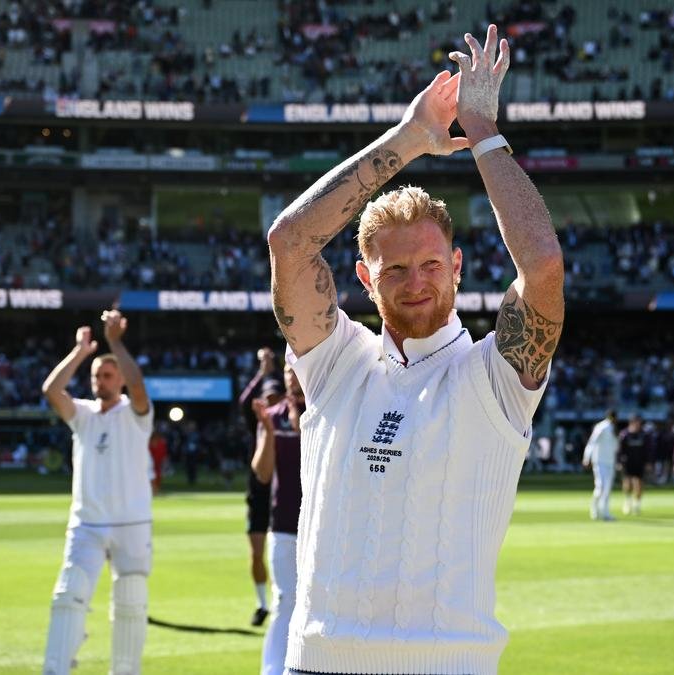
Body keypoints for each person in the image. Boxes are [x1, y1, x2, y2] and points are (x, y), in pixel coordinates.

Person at [266, 25, 564, 674]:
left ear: (456, 266)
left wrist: (482, 131)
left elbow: (542, 265)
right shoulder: (336, 362)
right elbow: (289, 241)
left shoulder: (493, 377)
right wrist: (410, 139)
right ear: (365, 279)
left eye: (431, 264)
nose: (416, 282)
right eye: (395, 269)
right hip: (316, 661)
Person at [41, 310, 154, 675]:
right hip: (87, 523)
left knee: (131, 602)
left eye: (107, 375)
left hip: (131, 522)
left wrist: (115, 343)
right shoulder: (84, 414)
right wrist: (80, 352)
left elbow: (139, 388)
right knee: (68, 595)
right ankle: (55, 670)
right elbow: (51, 391)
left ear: (119, 379)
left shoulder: (136, 413)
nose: (100, 381)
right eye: (96, 376)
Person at [250, 364, 305, 675]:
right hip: (284, 523)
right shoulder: (271, 416)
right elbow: (262, 472)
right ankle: (273, 670)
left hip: (324, 524)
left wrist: (301, 423)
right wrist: (269, 433)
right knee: (285, 601)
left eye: (296, 367)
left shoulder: (327, 407)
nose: (291, 374)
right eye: (287, 369)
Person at [237, 346, 281, 626]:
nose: (270, 401)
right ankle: (262, 603)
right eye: (266, 397)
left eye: (274, 396)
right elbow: (244, 401)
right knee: (256, 551)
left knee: (286, 551)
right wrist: (262, 374)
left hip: (284, 491)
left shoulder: (291, 418)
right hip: (258, 490)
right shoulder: (257, 422)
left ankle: (282, 599)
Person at [582, 411, 619, 521]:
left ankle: (605, 512)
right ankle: (594, 509)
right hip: (599, 461)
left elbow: (615, 446)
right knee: (600, 486)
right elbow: (592, 442)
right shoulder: (601, 427)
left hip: (610, 462)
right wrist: (586, 457)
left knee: (607, 488)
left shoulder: (614, 429)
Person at [618, 414, 650, 515]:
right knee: (627, 483)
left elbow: (648, 450)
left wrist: (648, 462)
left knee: (639, 484)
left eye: (639, 422)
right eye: (636, 422)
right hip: (627, 463)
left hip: (640, 462)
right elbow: (619, 450)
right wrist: (619, 462)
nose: (638, 424)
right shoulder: (624, 434)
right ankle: (627, 502)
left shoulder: (644, 435)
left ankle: (637, 505)